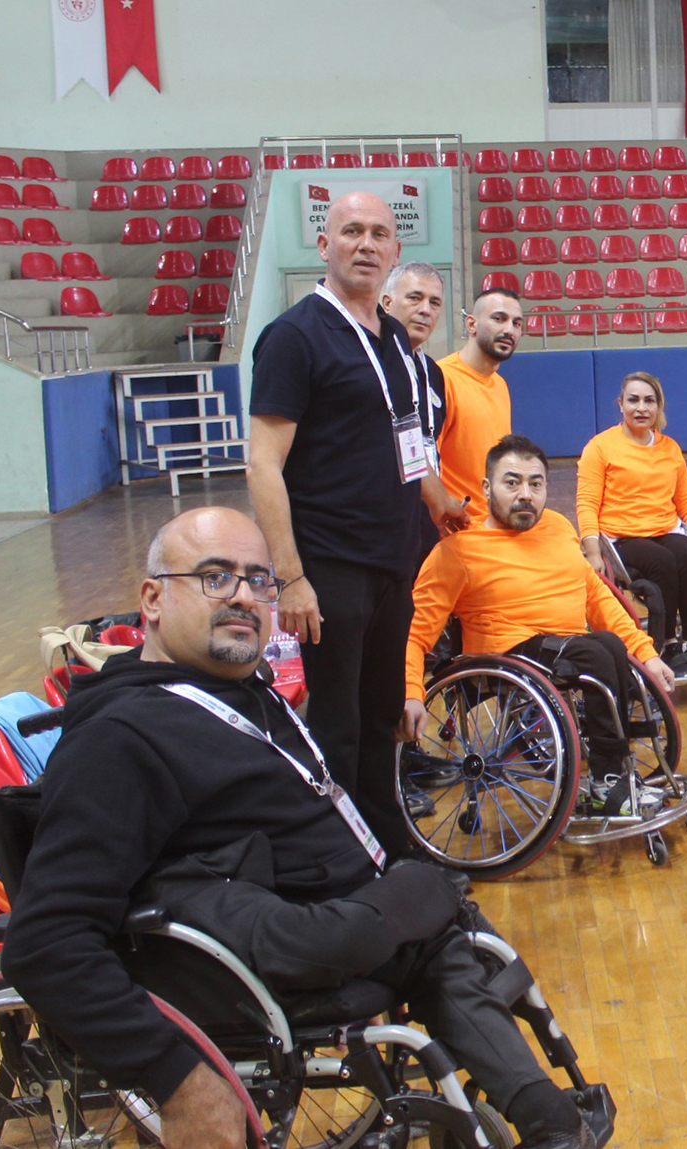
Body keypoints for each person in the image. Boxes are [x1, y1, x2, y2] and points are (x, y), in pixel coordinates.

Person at [0, 507, 601, 1149]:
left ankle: (551, 1122)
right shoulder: (119, 739)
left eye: (259, 580)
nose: (242, 596)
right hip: (259, 949)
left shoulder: (246, 693)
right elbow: (43, 944)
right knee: (420, 902)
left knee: (433, 935)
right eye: (214, 577)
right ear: (152, 598)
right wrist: (178, 1078)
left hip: (347, 916)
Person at [249, 192, 437, 857]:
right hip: (329, 564)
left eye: (380, 233)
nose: (367, 243)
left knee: (382, 716)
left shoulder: (393, 336)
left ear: (394, 250)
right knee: (337, 724)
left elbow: (405, 434)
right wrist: (290, 576)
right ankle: (339, 859)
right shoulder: (294, 336)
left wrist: (437, 500)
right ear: (324, 245)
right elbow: (263, 465)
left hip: (393, 561)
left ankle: (388, 849)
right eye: (351, 231)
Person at [403, 435, 675, 816]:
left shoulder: (559, 528)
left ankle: (616, 772)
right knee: (597, 652)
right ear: (486, 488)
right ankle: (606, 780)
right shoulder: (457, 551)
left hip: (566, 647)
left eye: (535, 483)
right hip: (504, 656)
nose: (525, 495)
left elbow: (597, 599)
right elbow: (414, 634)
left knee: (609, 646)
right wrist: (411, 692)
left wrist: (647, 655)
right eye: (512, 483)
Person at [578, 372, 687, 675]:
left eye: (649, 401)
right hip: (622, 538)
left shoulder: (669, 448)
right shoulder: (600, 447)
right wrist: (593, 553)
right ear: (620, 404)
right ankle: (669, 644)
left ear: (659, 406)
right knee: (663, 561)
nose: (641, 408)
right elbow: (587, 504)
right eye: (633, 400)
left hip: (663, 529)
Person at [381, 260, 471, 567]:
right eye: (414, 298)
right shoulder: (374, 363)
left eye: (434, 303)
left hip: (427, 514)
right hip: (384, 516)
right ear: (387, 303)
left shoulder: (433, 372)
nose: (425, 310)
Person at [436, 287, 523, 511]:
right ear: (471, 324)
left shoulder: (500, 385)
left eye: (516, 323)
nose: (509, 330)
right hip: (459, 520)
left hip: (496, 515)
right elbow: (424, 464)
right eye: (499, 319)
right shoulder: (441, 378)